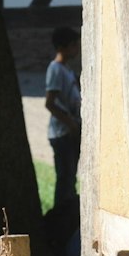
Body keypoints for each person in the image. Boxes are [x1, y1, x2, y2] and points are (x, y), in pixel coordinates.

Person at [45, 27, 82, 216]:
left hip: (70, 132)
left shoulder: (67, 70)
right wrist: (70, 123)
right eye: (74, 45)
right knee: (65, 178)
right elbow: (50, 103)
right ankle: (60, 216)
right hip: (62, 133)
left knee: (71, 178)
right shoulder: (55, 69)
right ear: (63, 47)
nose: (77, 49)